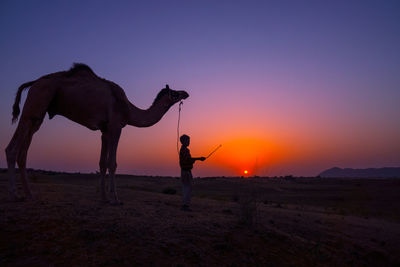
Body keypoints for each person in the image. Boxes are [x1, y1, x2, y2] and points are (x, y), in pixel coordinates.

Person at [179, 134, 205, 211]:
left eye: (189, 141)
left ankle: (185, 205)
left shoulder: (183, 150)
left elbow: (188, 159)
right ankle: (185, 206)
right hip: (186, 171)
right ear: (183, 141)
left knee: (186, 188)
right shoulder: (185, 150)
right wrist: (199, 158)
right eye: (187, 140)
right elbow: (188, 159)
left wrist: (194, 160)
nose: (189, 142)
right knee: (187, 188)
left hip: (185, 171)